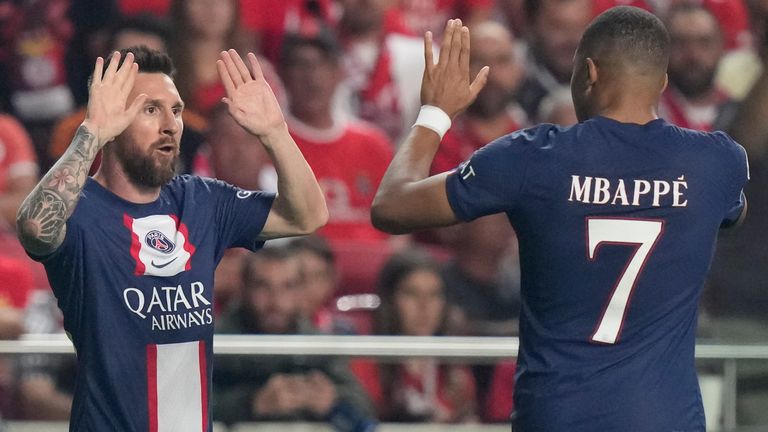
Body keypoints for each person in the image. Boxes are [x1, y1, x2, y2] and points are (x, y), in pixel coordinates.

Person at [371, 9, 749, 431]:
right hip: (665, 418)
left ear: (588, 73)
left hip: (557, 416)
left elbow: (390, 205)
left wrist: (435, 112)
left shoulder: (531, 157)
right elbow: (734, 210)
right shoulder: (715, 162)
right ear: (661, 81)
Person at [15, 45, 327, 432]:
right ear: (112, 118)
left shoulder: (202, 201)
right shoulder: (81, 212)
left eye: (175, 110)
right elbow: (33, 227)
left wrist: (275, 133)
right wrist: (91, 133)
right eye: (151, 109)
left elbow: (309, 216)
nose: (171, 125)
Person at [212, 246, 375, 430]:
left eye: (287, 286)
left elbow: (366, 413)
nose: (276, 300)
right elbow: (187, 405)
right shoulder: (218, 342)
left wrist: (332, 402)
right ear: (244, 288)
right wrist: (253, 403)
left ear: (300, 291)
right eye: (262, 286)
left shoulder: (316, 343)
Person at [370, 248, 477, 423]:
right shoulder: (366, 365)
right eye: (411, 293)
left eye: (434, 295)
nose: (424, 306)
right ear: (390, 301)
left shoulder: (457, 374)